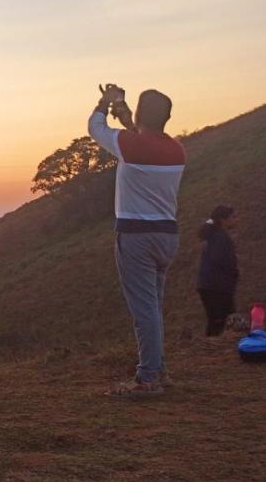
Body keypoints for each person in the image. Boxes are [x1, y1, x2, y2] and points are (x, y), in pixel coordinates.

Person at [89, 86, 186, 396]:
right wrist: (124, 109)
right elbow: (141, 136)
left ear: (142, 115)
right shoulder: (176, 150)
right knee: (153, 306)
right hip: (167, 236)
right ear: (168, 118)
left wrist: (106, 103)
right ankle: (159, 370)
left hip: (136, 237)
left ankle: (147, 379)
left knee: (144, 311)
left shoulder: (129, 145)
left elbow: (95, 126)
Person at [197, 205, 239, 337]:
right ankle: (209, 352)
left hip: (210, 285)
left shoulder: (214, 235)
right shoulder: (220, 237)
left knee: (216, 321)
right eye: (233, 217)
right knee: (219, 322)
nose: (236, 220)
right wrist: (234, 272)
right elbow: (220, 260)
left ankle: (209, 349)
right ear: (223, 219)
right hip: (216, 287)